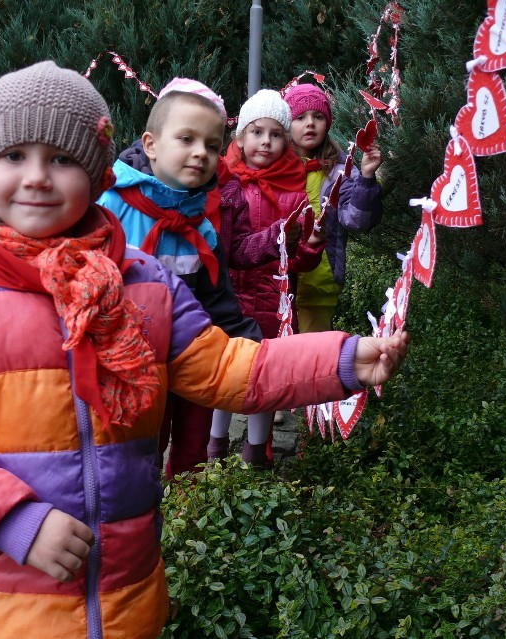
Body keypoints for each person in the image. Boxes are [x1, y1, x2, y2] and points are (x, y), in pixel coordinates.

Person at [0, 60, 410, 639]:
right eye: (13, 157)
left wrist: (338, 360)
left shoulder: (145, 283)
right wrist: (13, 520)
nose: (36, 178)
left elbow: (230, 368)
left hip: (129, 596)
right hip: (3, 603)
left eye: (62, 159)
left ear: (100, 173)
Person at [96, 79, 265, 478]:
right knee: (138, 454)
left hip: (190, 357)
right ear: (150, 144)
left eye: (210, 145)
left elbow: (216, 298)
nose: (200, 153)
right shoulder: (110, 207)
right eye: (186, 138)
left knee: (194, 449)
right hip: (130, 367)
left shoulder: (201, 224)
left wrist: (253, 345)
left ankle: (188, 520)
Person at [209, 89, 325, 468]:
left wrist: (310, 245)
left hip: (273, 304)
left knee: (265, 376)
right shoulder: (226, 185)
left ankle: (256, 452)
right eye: (257, 132)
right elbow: (225, 248)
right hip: (228, 301)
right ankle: (214, 445)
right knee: (224, 375)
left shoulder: (295, 192)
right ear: (240, 138)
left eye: (275, 134)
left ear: (285, 140)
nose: (266, 142)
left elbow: (299, 263)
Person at [283, 82, 384, 333]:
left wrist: (367, 178)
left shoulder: (340, 172)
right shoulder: (277, 169)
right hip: (278, 284)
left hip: (319, 286)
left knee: (311, 362)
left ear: (327, 123)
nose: (310, 123)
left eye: (318, 116)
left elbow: (357, 220)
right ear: (286, 125)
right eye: (300, 117)